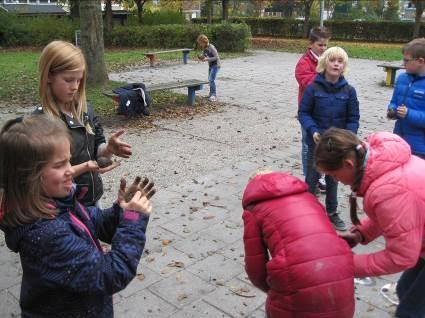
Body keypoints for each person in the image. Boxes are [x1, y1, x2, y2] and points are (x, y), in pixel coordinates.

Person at [0, 115, 153, 317]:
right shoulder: (47, 234)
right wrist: (133, 222)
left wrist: (121, 211)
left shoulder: (59, 204)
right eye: (59, 165)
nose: (70, 171)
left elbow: (96, 223)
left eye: (69, 161)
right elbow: (110, 274)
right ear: (28, 176)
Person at [314, 127, 425, 318]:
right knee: (405, 289)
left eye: (333, 175)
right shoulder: (381, 162)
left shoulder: (389, 191)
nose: (336, 181)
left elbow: (401, 257)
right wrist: (360, 233)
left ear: (348, 164)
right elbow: (397, 218)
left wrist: (346, 265)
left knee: (410, 311)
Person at [242, 170, 354, 318]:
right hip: (342, 275)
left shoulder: (254, 209)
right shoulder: (309, 197)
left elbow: (255, 269)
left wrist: (275, 289)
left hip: (295, 281)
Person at [35, 40, 132, 206]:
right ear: (49, 76)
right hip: (64, 206)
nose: (75, 87)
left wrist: (108, 149)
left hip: (93, 198)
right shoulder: (40, 122)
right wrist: (86, 167)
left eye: (79, 80)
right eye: (68, 80)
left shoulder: (85, 110)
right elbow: (43, 177)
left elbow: (97, 149)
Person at [298, 46, 360, 231]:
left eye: (340, 61)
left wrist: (347, 138)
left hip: (338, 148)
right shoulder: (313, 88)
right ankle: (308, 213)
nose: (336, 64)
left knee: (334, 180)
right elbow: (303, 112)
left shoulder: (349, 91)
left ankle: (332, 213)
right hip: (316, 144)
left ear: (344, 66)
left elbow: (353, 118)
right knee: (311, 179)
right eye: (332, 60)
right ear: (325, 63)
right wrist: (313, 130)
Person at [295, 26, 330, 190]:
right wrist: (324, 74)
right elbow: (306, 82)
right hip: (308, 112)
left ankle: (321, 175)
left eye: (325, 45)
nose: (323, 48)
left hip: (325, 111)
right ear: (311, 44)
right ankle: (309, 176)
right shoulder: (304, 62)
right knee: (308, 144)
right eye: (320, 45)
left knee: (323, 144)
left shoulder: (329, 60)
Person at [387, 38, 425, 159]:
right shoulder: (402, 78)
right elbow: (394, 101)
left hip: (420, 147)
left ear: (420, 61)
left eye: (406, 60)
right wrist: (392, 110)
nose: (403, 64)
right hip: (399, 140)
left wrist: (409, 114)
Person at [197, 34, 220, 102]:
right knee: (209, 80)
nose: (200, 45)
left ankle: (214, 95)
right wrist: (200, 57)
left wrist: (207, 59)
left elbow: (216, 57)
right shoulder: (204, 48)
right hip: (211, 65)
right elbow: (204, 55)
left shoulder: (211, 47)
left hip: (216, 65)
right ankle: (210, 94)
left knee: (211, 79)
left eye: (200, 43)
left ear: (204, 42)